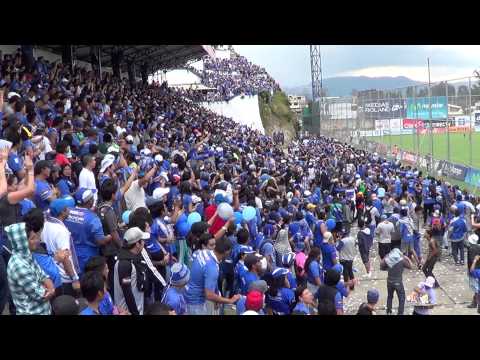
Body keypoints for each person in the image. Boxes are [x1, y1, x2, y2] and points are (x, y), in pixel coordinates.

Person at [6, 221, 55, 315]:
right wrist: (51, 290)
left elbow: (42, 275)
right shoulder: (19, 266)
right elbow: (42, 295)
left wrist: (50, 288)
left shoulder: (26, 255)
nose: (38, 240)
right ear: (22, 242)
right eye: (33, 238)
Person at [185, 236, 240, 315]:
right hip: (196, 303)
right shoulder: (212, 268)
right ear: (227, 252)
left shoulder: (202, 252)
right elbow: (209, 295)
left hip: (190, 294)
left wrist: (217, 295)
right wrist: (230, 300)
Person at [64, 188, 112, 273]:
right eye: (92, 197)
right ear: (89, 201)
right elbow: (101, 241)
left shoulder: (68, 212)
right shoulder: (93, 219)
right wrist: (109, 237)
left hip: (71, 253)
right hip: (88, 256)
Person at [42, 197, 81, 297]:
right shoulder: (61, 230)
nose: (69, 210)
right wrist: (74, 278)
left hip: (53, 275)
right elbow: (65, 257)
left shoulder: (46, 224)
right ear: (62, 212)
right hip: (65, 278)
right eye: (67, 208)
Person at [114, 227, 149, 315]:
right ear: (137, 244)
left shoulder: (132, 259)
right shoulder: (125, 264)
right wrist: (135, 312)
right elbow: (127, 292)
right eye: (142, 240)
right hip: (128, 312)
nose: (144, 243)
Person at [381, 247, 413, 315]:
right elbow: (411, 266)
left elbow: (381, 266)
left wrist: (386, 257)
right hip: (398, 282)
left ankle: (388, 311)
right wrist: (407, 258)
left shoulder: (388, 260)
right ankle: (400, 313)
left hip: (389, 281)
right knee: (401, 298)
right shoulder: (402, 261)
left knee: (390, 296)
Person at [467, 234, 480, 309]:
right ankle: (474, 303)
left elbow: (472, 261)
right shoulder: (478, 247)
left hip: (474, 270)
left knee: (476, 288)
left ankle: (476, 303)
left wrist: (470, 271)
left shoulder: (471, 249)